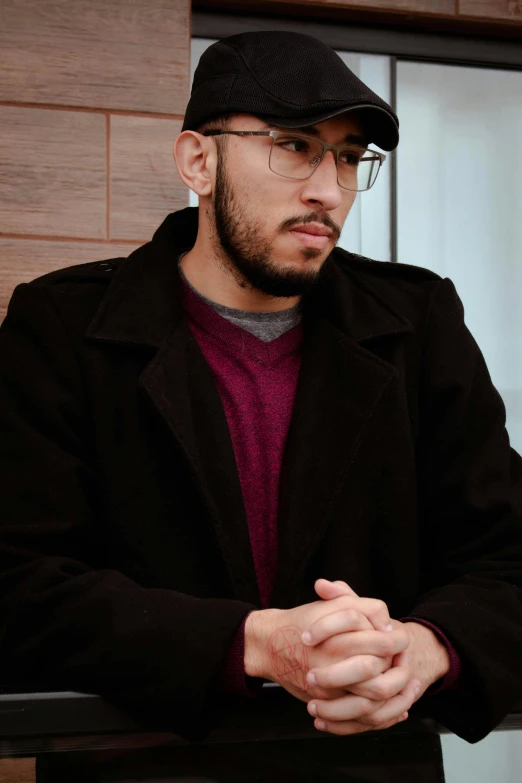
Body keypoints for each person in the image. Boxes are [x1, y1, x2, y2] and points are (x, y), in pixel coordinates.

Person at [1, 30, 521, 783]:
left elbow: (506, 558)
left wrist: (429, 648)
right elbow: (17, 580)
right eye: (293, 146)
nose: (328, 189)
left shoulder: (418, 324)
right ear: (198, 161)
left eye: (347, 157)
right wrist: (252, 640)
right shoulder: (62, 328)